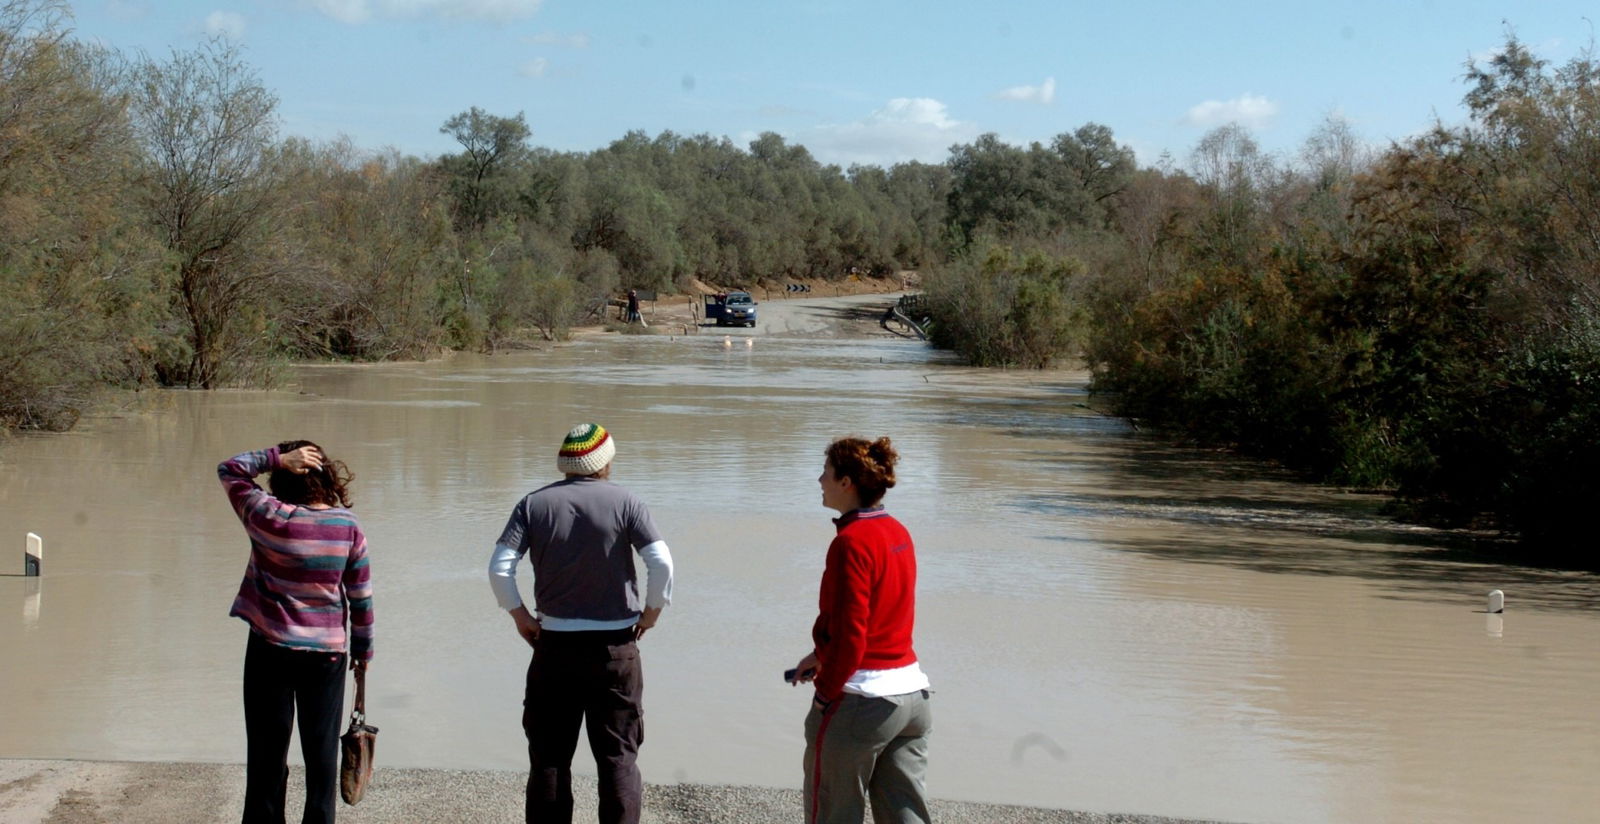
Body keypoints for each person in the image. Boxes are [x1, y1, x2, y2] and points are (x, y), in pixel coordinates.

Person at [488, 423, 675, 824]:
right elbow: (660, 562)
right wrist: (652, 612)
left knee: (550, 760)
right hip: (616, 650)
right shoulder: (628, 503)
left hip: (554, 647)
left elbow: (500, 567)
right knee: (618, 760)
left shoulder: (533, 505)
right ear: (604, 461)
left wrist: (519, 615)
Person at [219, 441, 373, 824]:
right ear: (325, 477)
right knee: (321, 759)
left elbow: (229, 470)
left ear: (282, 478)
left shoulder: (266, 515)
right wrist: (363, 653)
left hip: (269, 650)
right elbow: (361, 599)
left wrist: (275, 457)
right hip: (326, 657)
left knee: (267, 756)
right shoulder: (347, 527)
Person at [790, 436, 932, 824]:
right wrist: (820, 655)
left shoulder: (850, 543)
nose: (820, 480)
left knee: (833, 812)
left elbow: (854, 636)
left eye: (827, 473)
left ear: (846, 483)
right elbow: (885, 616)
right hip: (912, 696)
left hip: (863, 701)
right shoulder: (898, 531)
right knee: (905, 814)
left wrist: (825, 694)